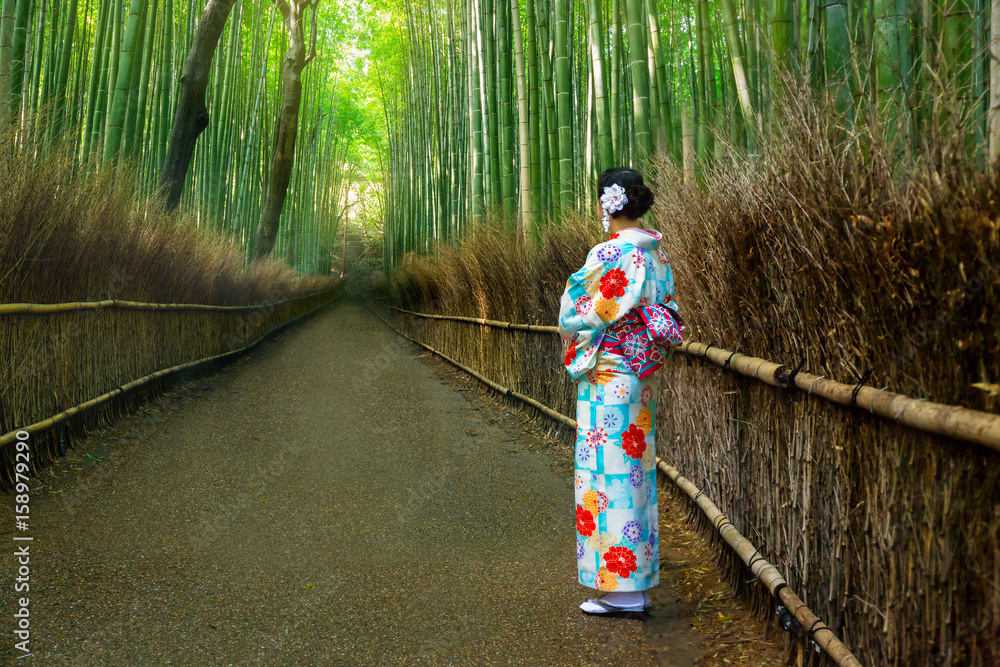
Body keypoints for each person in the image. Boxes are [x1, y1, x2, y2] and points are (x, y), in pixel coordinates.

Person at [557, 167, 684, 615]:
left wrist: (572, 317)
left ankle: (621, 589)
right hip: (641, 375)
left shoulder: (611, 253)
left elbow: (580, 310)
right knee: (635, 474)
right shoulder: (657, 254)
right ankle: (637, 583)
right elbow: (663, 309)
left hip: (608, 376)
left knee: (604, 475)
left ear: (606, 205)